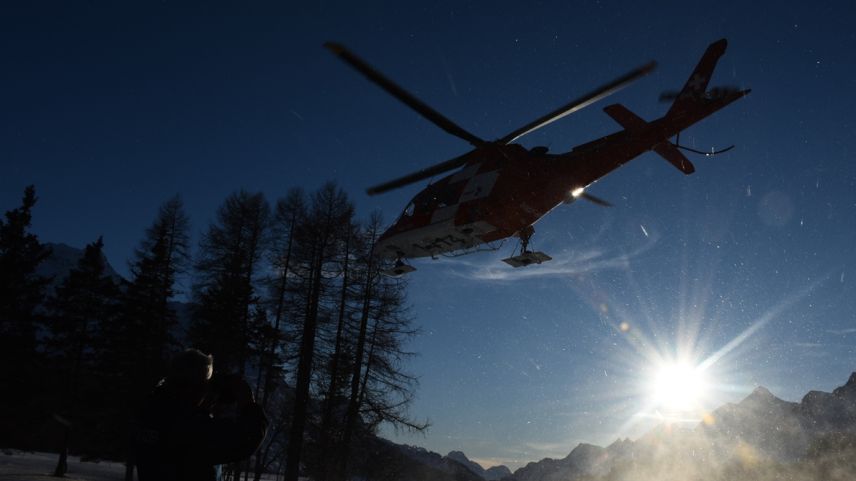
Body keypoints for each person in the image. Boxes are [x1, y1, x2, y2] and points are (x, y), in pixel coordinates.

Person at [135, 348, 268, 481]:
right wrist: (248, 403)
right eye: (204, 384)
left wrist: (202, 409)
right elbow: (245, 438)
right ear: (193, 387)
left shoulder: (152, 410)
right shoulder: (187, 426)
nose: (207, 390)